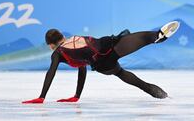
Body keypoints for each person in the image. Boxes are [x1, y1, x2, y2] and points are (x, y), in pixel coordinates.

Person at [22, 21, 180, 104]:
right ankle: (157, 36)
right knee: (146, 38)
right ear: (61, 36)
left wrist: (42, 97)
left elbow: (52, 72)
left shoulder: (58, 53)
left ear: (50, 44)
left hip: (104, 64)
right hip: (110, 45)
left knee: (127, 77)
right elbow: (81, 69)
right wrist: (76, 95)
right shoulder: (73, 39)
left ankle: (163, 95)